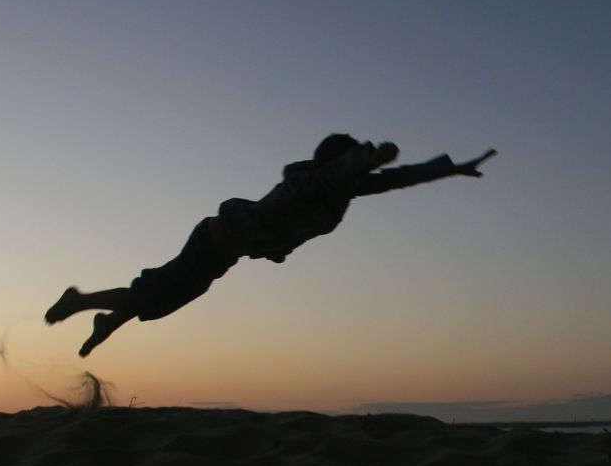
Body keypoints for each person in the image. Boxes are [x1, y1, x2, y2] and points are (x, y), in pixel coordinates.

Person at [45, 135, 497, 356]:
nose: (359, 179)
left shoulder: (343, 190)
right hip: (216, 237)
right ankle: (82, 301)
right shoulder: (307, 182)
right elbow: (333, 174)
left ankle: (107, 322)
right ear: (338, 161)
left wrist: (452, 169)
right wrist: (368, 156)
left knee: (164, 299)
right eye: (351, 165)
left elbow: (395, 179)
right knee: (157, 293)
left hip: (225, 250)